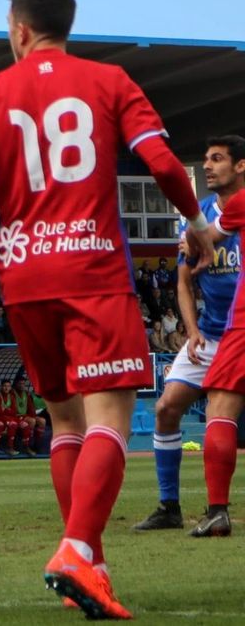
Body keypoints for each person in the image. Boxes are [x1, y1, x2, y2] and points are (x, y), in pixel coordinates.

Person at [0, 0, 209, 618]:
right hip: (92, 269)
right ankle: (78, 548)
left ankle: (93, 565)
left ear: (20, 29)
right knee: (109, 422)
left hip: (23, 275)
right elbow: (163, 164)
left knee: (64, 423)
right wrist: (195, 223)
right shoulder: (110, 80)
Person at [132, 136, 245, 532]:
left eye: (217, 159)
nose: (209, 167)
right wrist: (192, 330)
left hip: (239, 331)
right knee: (166, 409)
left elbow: (205, 242)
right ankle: (170, 507)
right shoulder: (201, 214)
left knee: (220, 411)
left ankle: (217, 510)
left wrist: (197, 242)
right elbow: (184, 279)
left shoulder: (229, 211)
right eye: (206, 160)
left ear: (241, 166)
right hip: (212, 334)